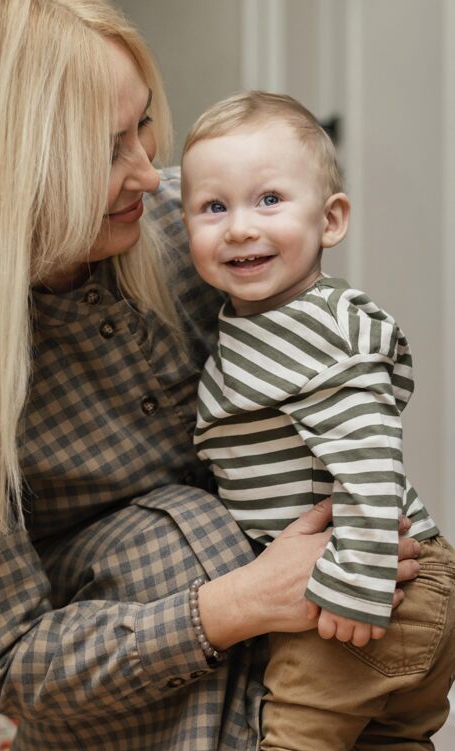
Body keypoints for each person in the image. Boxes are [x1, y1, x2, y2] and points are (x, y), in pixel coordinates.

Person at [0, 2, 421, 749]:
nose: (149, 169)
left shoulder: (198, 230)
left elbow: (342, 377)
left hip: (328, 657)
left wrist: (365, 529)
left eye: (142, 125)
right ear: (7, 172)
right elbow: (7, 662)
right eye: (107, 151)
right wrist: (238, 601)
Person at [181, 90, 455, 750]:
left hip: (372, 590)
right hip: (389, 587)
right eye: (214, 207)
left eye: (269, 200)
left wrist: (356, 587)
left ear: (331, 220)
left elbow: (368, 454)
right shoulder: (260, 323)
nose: (241, 226)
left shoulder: (320, 327)